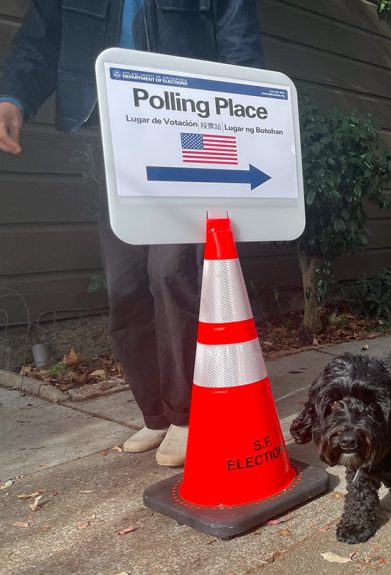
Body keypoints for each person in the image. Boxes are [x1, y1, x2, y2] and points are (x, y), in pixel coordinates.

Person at [0, 0, 264, 466]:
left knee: (170, 271)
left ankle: (187, 415)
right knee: (124, 286)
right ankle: (158, 414)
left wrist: (241, 114)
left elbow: (238, 35)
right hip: (114, 139)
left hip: (187, 124)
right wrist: (14, 95)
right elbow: (43, 36)